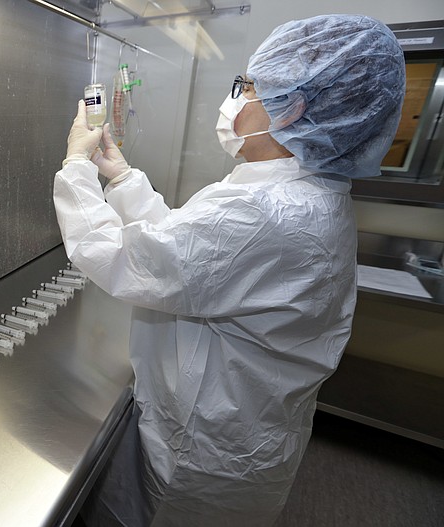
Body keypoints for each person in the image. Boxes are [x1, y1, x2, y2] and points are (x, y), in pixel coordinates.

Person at [53, 14, 405, 527]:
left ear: (294, 107)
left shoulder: (267, 212)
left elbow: (122, 260)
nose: (235, 98)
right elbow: (192, 257)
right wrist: (123, 178)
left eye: (249, 86)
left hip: (204, 453)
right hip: (245, 435)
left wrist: (76, 169)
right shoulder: (296, 195)